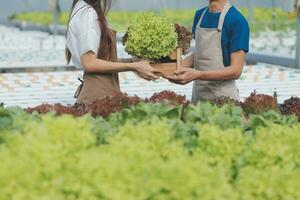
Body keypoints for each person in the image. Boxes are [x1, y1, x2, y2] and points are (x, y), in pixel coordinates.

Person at [66, 0, 159, 104]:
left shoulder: (86, 10)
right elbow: (90, 64)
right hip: (98, 96)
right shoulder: (88, 15)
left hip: (100, 93)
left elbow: (101, 60)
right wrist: (134, 66)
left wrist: (135, 64)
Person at [166, 0, 250, 103]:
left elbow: (235, 71)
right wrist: (172, 68)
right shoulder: (200, 15)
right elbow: (202, 52)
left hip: (223, 100)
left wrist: (198, 75)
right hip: (198, 99)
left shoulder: (237, 21)